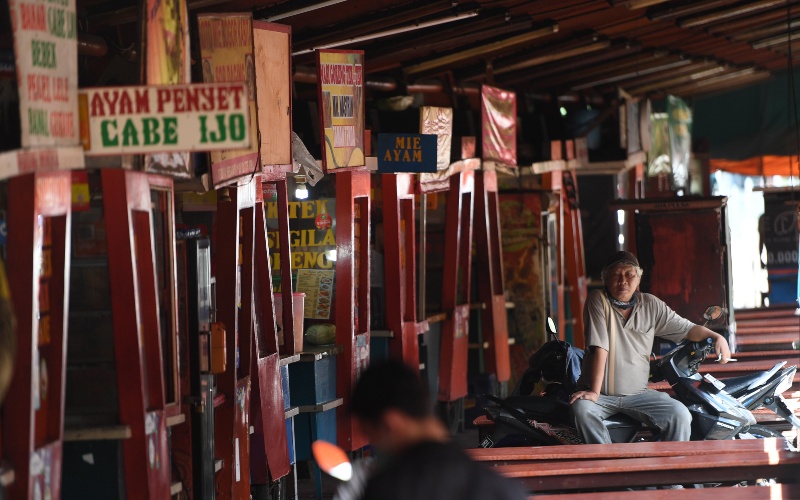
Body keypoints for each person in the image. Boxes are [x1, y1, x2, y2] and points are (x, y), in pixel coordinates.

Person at [569, 250, 731, 444]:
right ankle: (608, 465)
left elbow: (687, 329)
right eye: (616, 275)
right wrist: (594, 392)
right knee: (582, 410)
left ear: (639, 279)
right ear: (605, 278)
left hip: (638, 395)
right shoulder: (597, 299)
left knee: (680, 415)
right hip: (602, 396)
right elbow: (599, 348)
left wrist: (716, 337)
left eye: (629, 274)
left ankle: (670, 471)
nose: (623, 281)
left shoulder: (650, 305)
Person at [350, 359, 527, 500]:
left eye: (371, 435)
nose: (376, 446)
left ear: (391, 424)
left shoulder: (386, 489)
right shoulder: (501, 489)